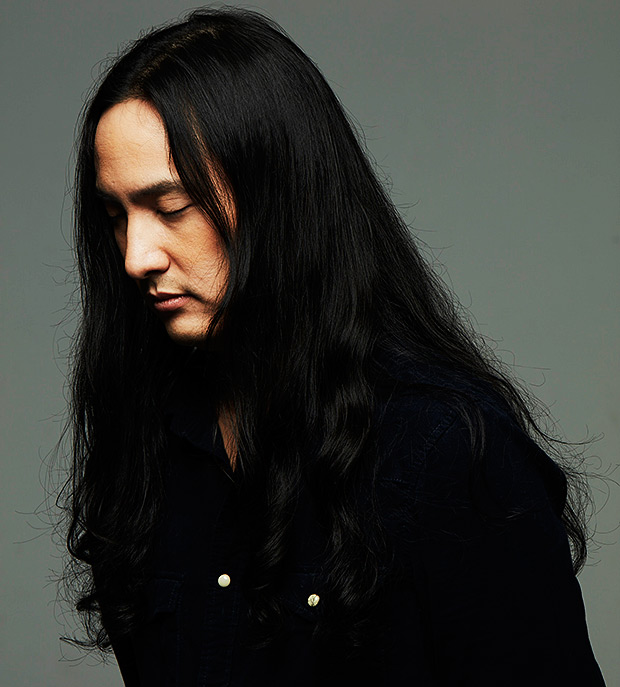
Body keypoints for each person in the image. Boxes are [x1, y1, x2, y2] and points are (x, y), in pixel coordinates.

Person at [59, 7, 606, 686]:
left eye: (172, 208)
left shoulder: (445, 452)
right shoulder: (153, 438)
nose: (136, 256)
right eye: (117, 216)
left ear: (276, 198)